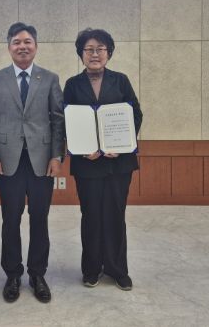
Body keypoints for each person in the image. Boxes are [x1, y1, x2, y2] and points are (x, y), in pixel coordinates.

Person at [0, 22, 65, 304]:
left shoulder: (50, 78)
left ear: (36, 46)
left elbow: (58, 120)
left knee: (39, 218)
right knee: (11, 219)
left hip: (42, 160)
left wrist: (57, 156)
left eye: (27, 42)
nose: (22, 46)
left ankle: (37, 274)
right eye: (17, 42)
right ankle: (13, 274)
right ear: (9, 47)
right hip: (8, 161)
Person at [63, 28, 142, 291]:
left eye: (100, 49)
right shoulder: (72, 84)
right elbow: (67, 120)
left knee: (115, 215)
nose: (95, 54)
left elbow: (135, 114)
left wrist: (121, 145)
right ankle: (91, 269)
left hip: (118, 163)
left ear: (109, 53)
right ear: (81, 54)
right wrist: (81, 148)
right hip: (87, 164)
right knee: (91, 216)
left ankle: (117, 270)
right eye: (89, 49)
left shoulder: (121, 81)